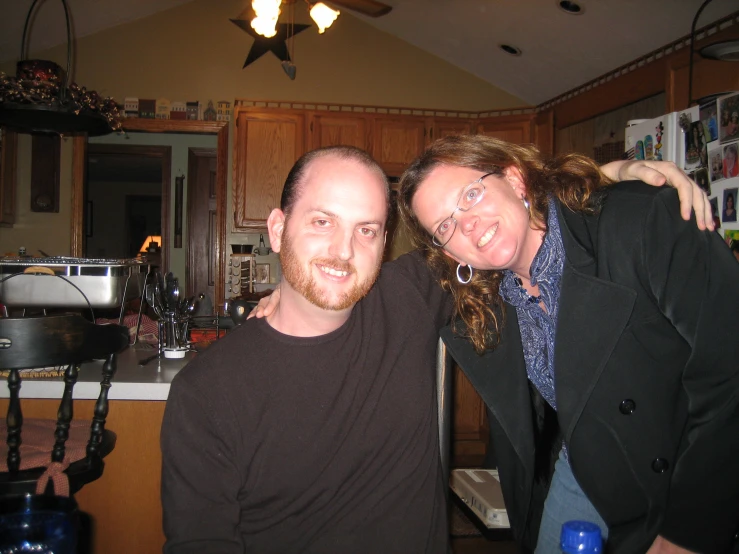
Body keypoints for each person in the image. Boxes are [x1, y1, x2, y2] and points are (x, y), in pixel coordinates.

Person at [163, 144, 711, 553]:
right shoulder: (206, 395)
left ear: (384, 242)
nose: (341, 251)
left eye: (367, 230)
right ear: (278, 229)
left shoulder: (407, 295)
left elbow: (509, 218)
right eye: (322, 222)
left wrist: (611, 173)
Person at [397, 135, 739, 554]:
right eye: (444, 226)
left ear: (515, 180)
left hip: (695, 465)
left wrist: (688, 532)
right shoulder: (489, 297)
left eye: (471, 193)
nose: (466, 224)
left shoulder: (638, 221)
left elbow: (730, 375)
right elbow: (368, 279)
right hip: (585, 466)